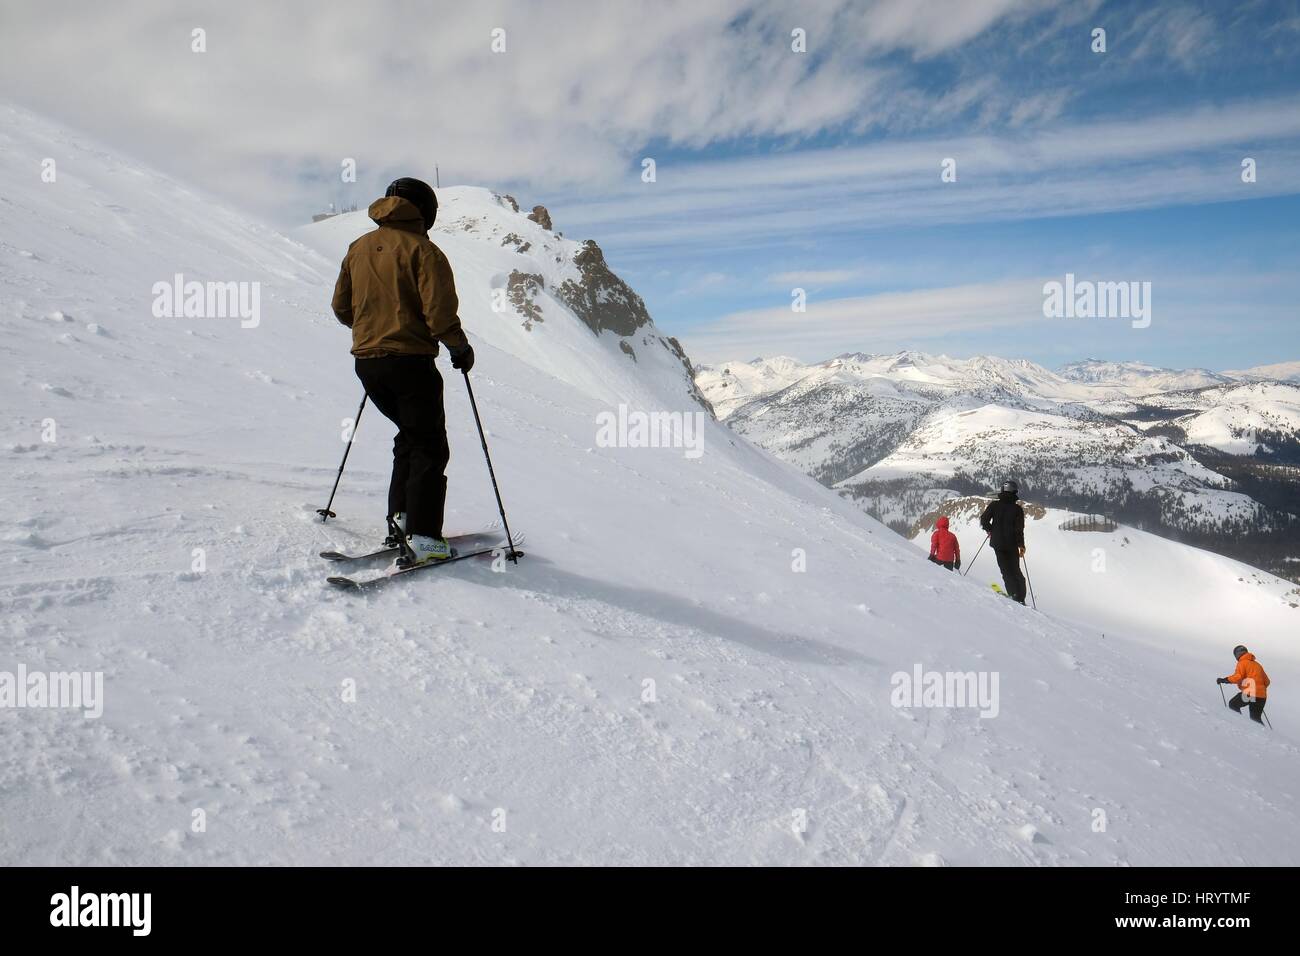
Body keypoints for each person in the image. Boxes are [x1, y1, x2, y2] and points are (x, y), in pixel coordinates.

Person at [331, 177, 476, 567]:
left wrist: (373, 329)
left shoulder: (358, 248)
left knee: (410, 438)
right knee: (429, 445)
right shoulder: (424, 252)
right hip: (410, 361)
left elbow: (342, 308)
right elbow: (439, 314)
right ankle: (425, 538)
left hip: (367, 362)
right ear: (425, 211)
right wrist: (460, 348)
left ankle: (403, 519)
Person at [979, 480, 1027, 604]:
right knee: (1015, 570)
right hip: (1012, 545)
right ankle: (1020, 597)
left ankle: (1013, 595)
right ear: (1014, 492)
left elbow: (984, 520)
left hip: (997, 544)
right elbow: (1019, 530)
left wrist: (991, 530)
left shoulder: (994, 505)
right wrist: (1021, 545)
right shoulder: (1017, 509)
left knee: (1006, 571)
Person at [1217, 645, 1270, 724]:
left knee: (1233, 704)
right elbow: (1267, 681)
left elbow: (1238, 677)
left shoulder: (1242, 663)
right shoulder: (1258, 665)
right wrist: (1259, 691)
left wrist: (1224, 680)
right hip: (1261, 696)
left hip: (1250, 693)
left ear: (1237, 654)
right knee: (1255, 718)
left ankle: (1240, 725)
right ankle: (1263, 735)